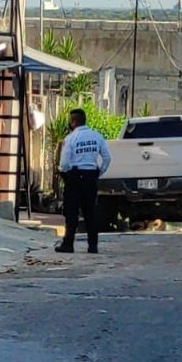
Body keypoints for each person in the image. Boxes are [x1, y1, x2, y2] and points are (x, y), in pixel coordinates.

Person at [56, 107, 112, 254]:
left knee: (71, 212)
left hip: (74, 177)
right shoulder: (97, 137)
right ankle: (93, 246)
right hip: (90, 177)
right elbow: (107, 158)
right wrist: (99, 172)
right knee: (90, 212)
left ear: (73, 122)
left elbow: (64, 163)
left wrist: (64, 174)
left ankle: (68, 244)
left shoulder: (71, 139)